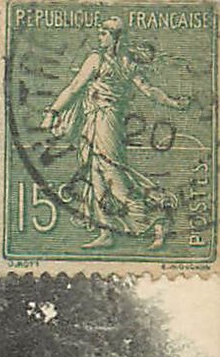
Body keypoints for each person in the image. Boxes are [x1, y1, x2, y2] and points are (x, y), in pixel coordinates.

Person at [44, 17, 191, 250]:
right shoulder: (111, 61)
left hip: (106, 123)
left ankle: (157, 218)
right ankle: (106, 231)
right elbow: (75, 87)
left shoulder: (111, 61)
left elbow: (149, 91)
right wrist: (54, 111)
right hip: (94, 122)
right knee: (95, 174)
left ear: (116, 37)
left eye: (103, 32)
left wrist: (53, 112)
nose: (99, 36)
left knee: (113, 175)